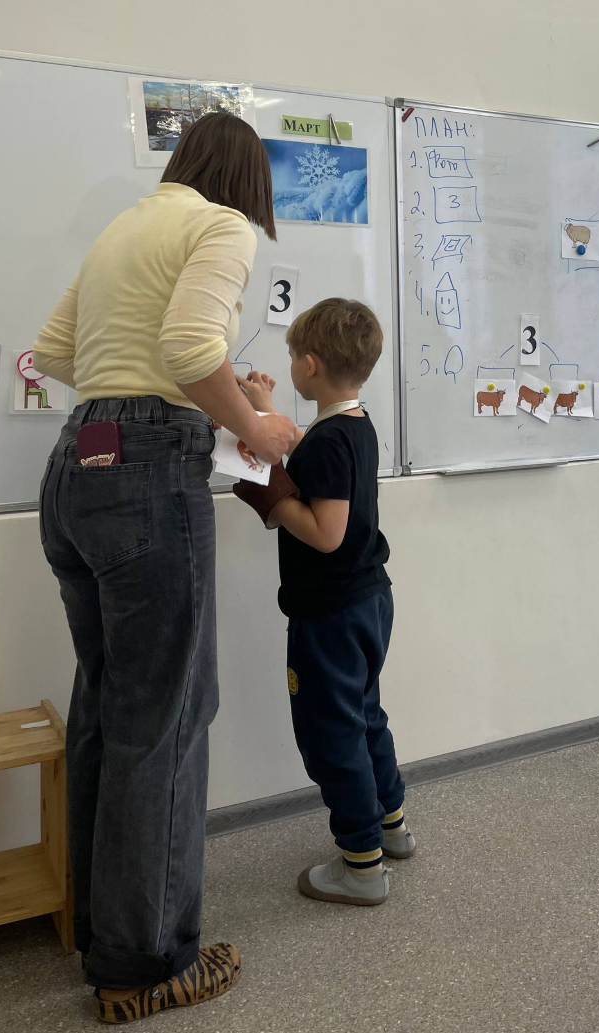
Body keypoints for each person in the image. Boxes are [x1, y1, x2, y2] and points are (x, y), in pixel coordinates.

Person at [33, 113, 298, 1022]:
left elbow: (56, 352)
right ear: (247, 180)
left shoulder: (125, 227)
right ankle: (143, 963)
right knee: (169, 713)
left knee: (110, 705)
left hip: (76, 463)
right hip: (147, 477)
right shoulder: (220, 225)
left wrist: (167, 400)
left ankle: (100, 929)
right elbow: (189, 350)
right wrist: (254, 424)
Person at [234, 299, 411, 907]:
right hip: (366, 601)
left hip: (330, 613)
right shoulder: (353, 425)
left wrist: (269, 496)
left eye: (292, 360)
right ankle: (391, 827)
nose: (289, 368)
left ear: (308, 365)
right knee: (364, 714)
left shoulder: (328, 440)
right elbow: (313, 464)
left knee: (332, 733)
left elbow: (325, 533)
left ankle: (362, 866)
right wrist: (264, 411)